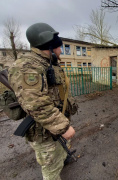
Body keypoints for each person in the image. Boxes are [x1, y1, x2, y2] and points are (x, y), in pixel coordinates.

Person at [8, 23, 76, 180]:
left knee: (58, 157)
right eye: (59, 47)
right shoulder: (28, 66)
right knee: (51, 171)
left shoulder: (47, 62)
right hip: (45, 133)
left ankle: (63, 158)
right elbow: (36, 103)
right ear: (50, 46)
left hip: (53, 127)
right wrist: (63, 127)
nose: (61, 50)